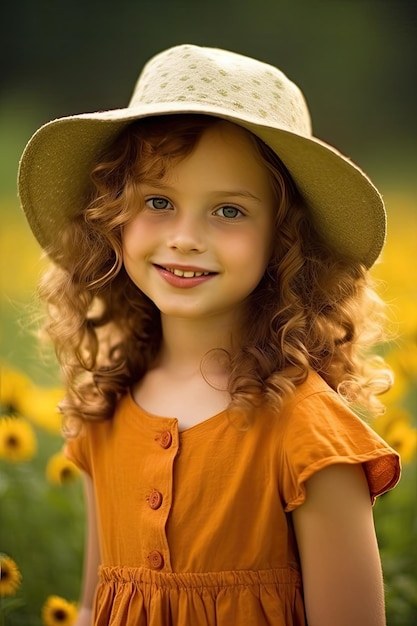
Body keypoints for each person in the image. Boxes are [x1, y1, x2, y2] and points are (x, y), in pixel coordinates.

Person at [18, 44, 401, 626]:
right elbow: (97, 604)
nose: (185, 237)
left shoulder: (308, 435)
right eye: (158, 201)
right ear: (112, 217)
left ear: (286, 239)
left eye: (228, 211)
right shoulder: (106, 406)